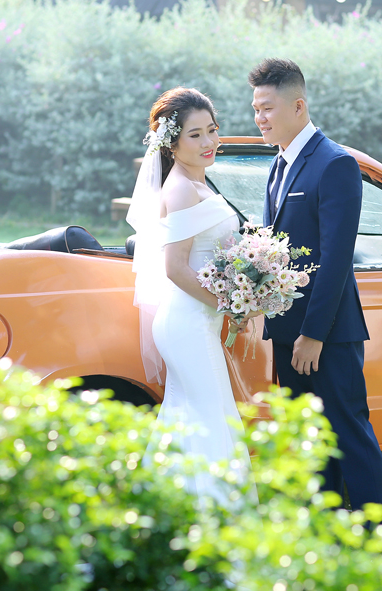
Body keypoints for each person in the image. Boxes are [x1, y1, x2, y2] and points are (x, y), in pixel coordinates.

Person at [248, 58, 382, 539]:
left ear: (298, 106)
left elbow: (336, 260)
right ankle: (325, 528)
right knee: (309, 434)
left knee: (347, 429)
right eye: (255, 109)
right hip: (286, 329)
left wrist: (314, 334)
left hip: (328, 332)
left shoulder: (335, 164)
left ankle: (380, 533)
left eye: (268, 108)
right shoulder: (277, 164)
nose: (260, 118)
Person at [126, 87, 255, 510]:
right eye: (195, 135)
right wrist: (231, 305)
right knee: (214, 416)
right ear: (172, 143)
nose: (208, 142)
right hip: (188, 324)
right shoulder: (181, 189)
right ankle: (218, 519)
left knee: (188, 417)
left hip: (197, 322)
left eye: (212, 130)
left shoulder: (198, 183)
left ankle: (166, 512)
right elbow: (175, 268)